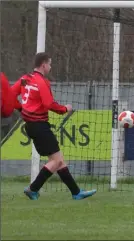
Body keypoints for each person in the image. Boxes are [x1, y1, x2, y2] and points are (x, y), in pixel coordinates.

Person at [11, 52, 96, 200]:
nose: (50, 67)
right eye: (50, 64)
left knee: (59, 160)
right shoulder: (42, 82)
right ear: (43, 65)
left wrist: (21, 108)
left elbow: (11, 95)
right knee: (56, 161)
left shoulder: (25, 79)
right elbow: (48, 104)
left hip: (31, 125)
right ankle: (33, 189)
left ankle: (76, 193)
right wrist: (65, 109)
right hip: (40, 125)